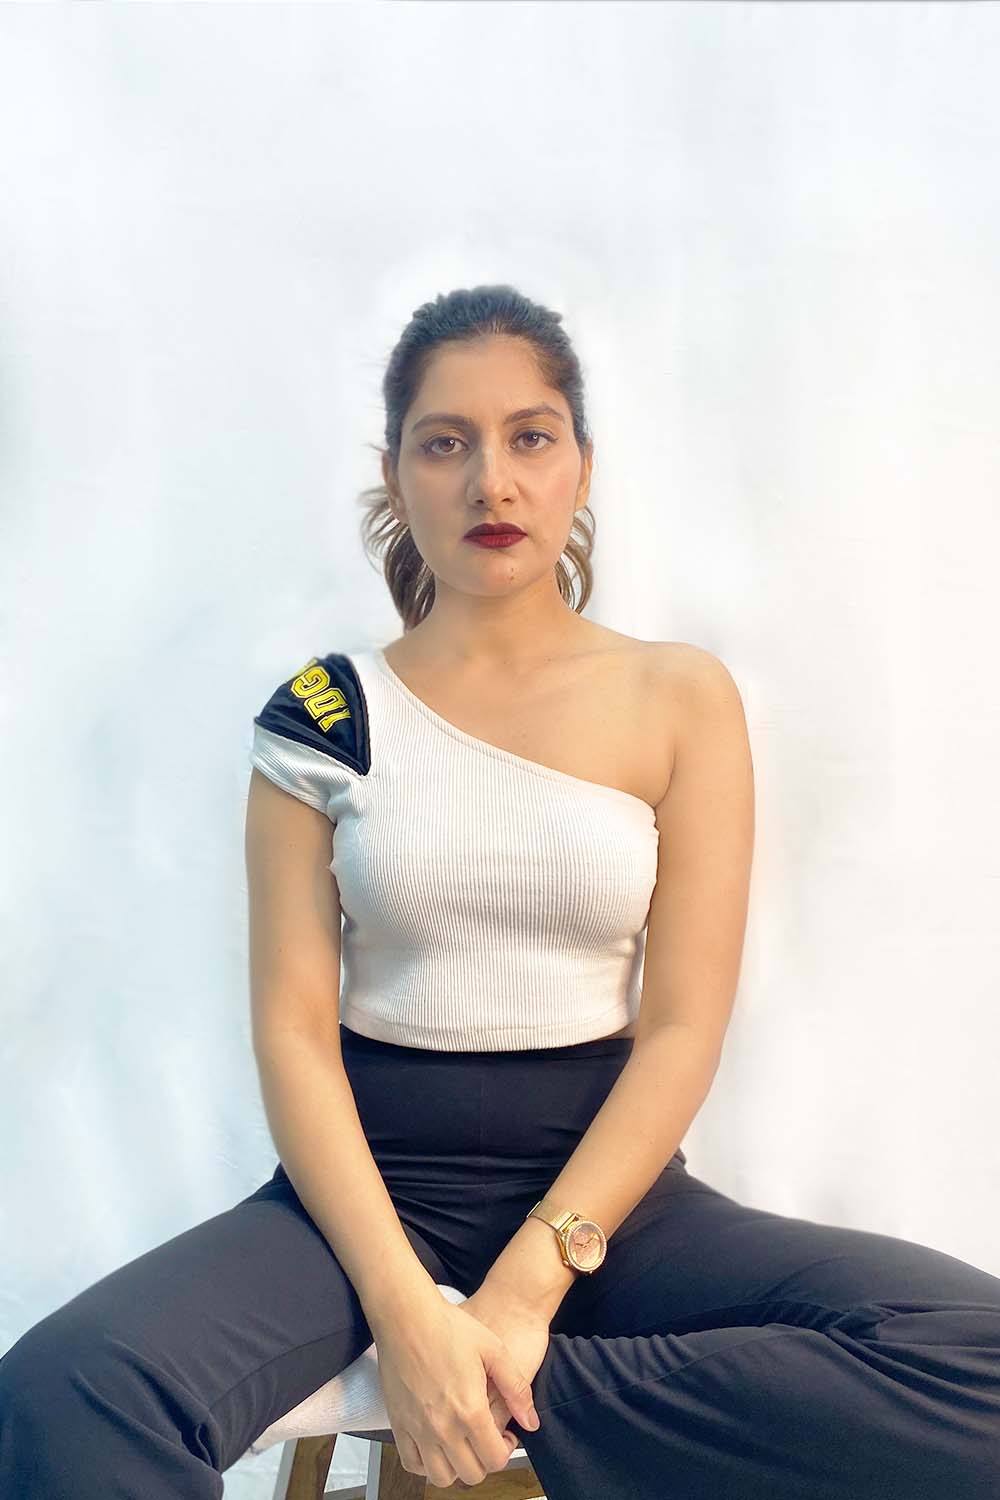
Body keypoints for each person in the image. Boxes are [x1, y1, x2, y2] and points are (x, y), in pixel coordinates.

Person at [2, 284, 999, 1500]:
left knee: (976, 1357)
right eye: (445, 443)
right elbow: (293, 1034)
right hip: (362, 1202)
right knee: (60, 1392)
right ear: (394, 474)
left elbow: (682, 1028)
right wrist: (401, 1310)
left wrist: (516, 1305)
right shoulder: (324, 714)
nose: (492, 482)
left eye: (530, 437)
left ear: (582, 464)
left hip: (610, 1208)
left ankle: (523, 1399)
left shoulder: (678, 697)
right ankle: (453, 1367)